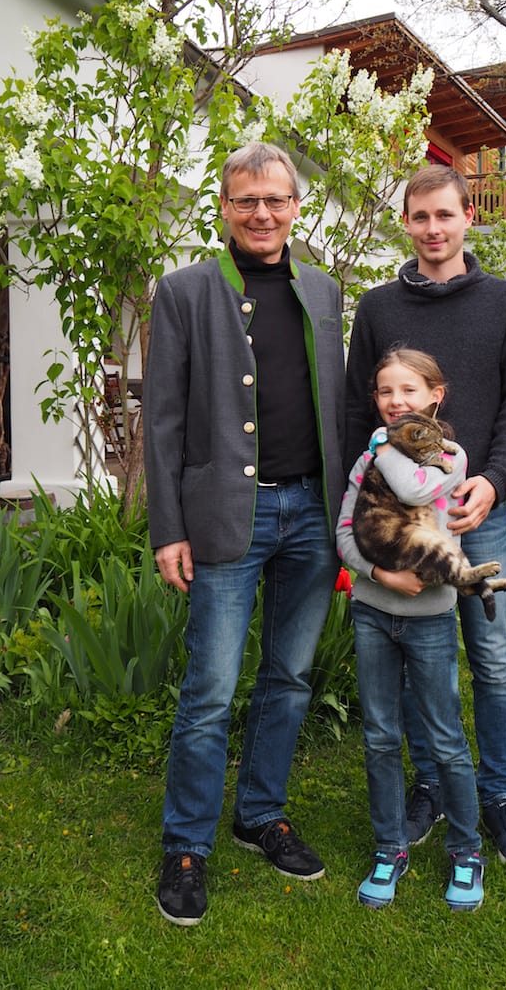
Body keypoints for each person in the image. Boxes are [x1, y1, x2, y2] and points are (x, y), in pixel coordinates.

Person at [144, 142, 345, 926]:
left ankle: (260, 814)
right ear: (225, 207)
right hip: (229, 514)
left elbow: (338, 405)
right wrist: (169, 528)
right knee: (210, 690)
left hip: (312, 515)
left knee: (288, 677)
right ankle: (185, 845)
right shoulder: (184, 291)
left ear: (296, 206)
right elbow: (163, 420)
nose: (262, 213)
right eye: (246, 200)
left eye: (276, 199)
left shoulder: (323, 290)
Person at [344, 166, 506, 871]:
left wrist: (494, 480)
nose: (433, 228)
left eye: (445, 215)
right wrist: (363, 515)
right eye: (420, 216)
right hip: (403, 522)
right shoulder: (377, 307)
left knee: (492, 659)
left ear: (466, 218)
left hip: (474, 509)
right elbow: (357, 412)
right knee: (416, 656)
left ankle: (497, 794)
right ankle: (428, 784)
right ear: (406, 221)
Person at [337, 349, 486, 911]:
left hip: (430, 620)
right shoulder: (366, 461)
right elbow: (345, 533)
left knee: (445, 738)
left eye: (408, 390)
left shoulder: (449, 456)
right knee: (380, 736)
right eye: (385, 392)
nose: (395, 401)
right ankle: (389, 846)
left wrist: (383, 445)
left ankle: (466, 850)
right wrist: (380, 575)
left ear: (434, 397)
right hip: (374, 614)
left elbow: (417, 491)